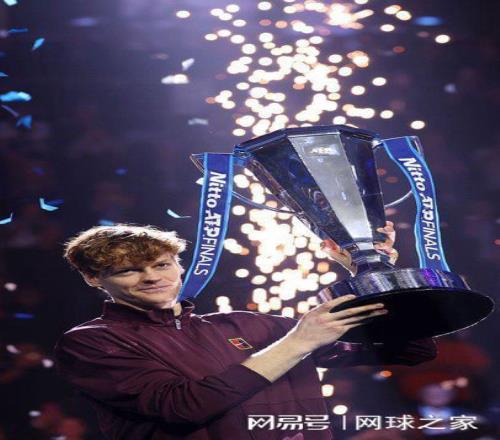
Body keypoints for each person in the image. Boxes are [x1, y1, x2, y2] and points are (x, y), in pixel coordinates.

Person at [54, 222, 436, 439]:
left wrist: (373, 275)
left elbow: (410, 351)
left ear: (179, 265)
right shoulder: (90, 342)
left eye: (162, 265)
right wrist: (298, 342)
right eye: (129, 271)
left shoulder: (247, 324)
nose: (152, 277)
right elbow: (183, 407)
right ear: (93, 278)